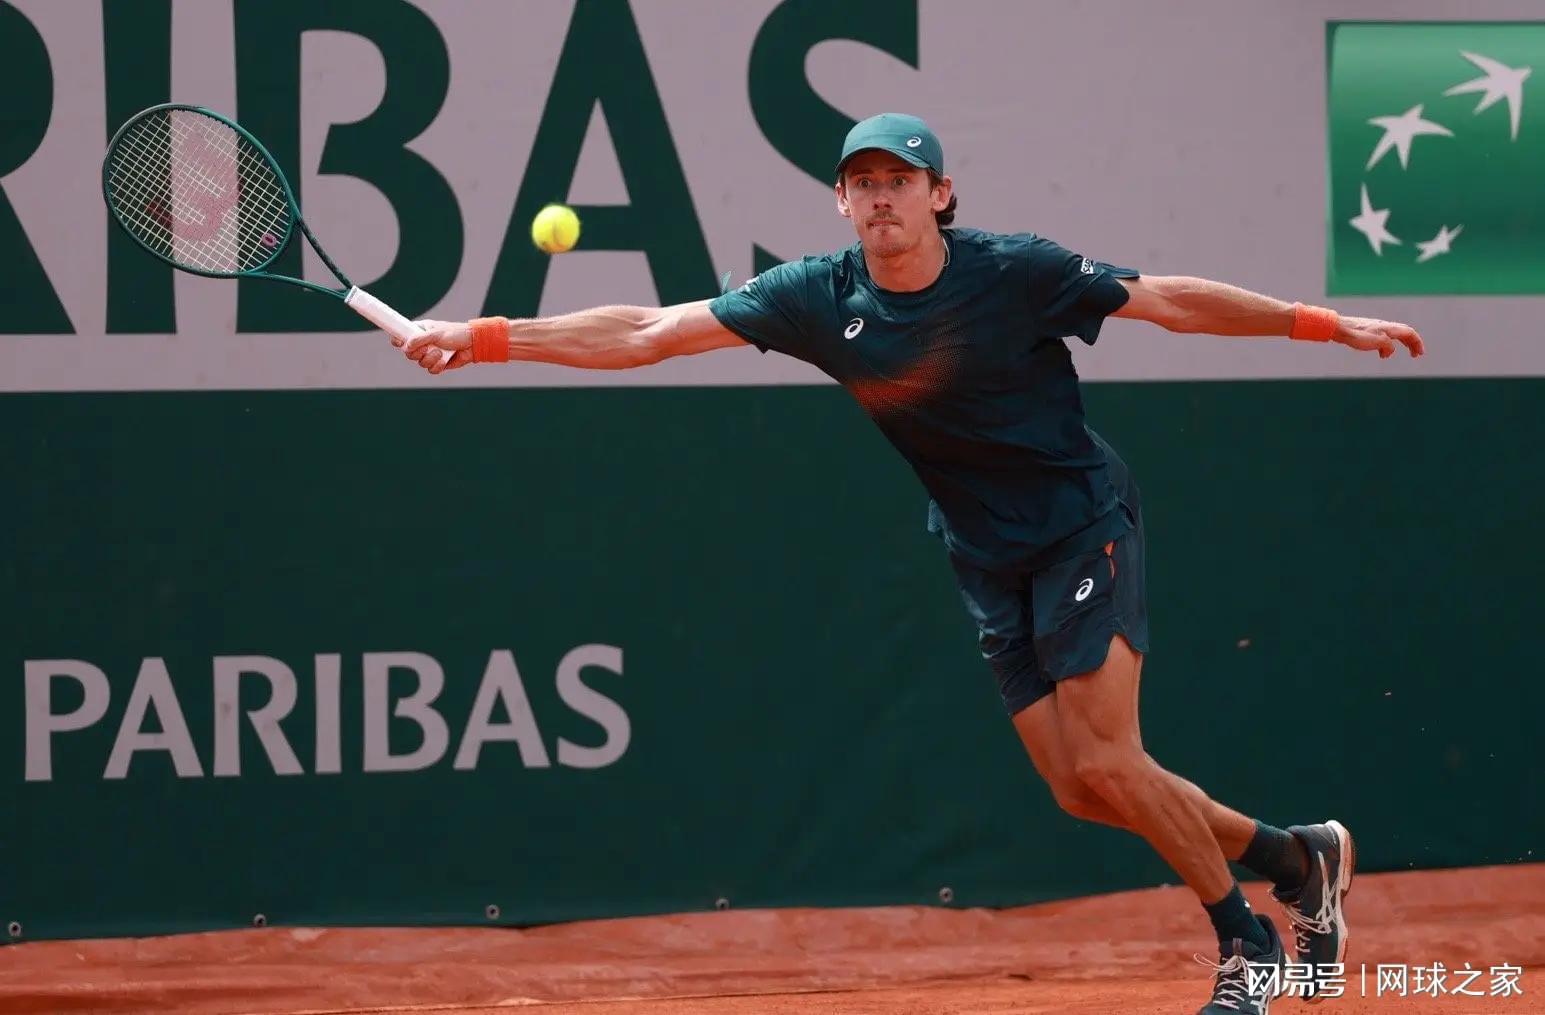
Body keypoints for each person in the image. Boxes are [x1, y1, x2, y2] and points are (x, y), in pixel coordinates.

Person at [396, 112, 1424, 1014]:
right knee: (1082, 788)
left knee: (1112, 757)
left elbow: (1169, 301)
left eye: (901, 179)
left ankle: (1245, 942)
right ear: (842, 202)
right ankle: (1296, 856)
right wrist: (482, 337)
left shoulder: (1015, 273)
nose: (882, 197)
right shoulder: (815, 295)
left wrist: (1322, 323)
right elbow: (649, 332)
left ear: (940, 194)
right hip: (985, 550)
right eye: (864, 182)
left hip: (1081, 524)